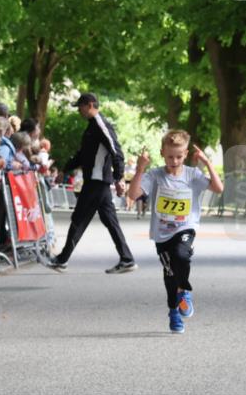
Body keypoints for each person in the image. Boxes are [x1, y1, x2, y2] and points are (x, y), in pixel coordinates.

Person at [127, 131, 223, 334]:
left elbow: (218, 188)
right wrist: (140, 169)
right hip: (162, 234)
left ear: (186, 154)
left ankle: (185, 292)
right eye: (170, 156)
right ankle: (173, 310)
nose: (174, 160)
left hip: (185, 227)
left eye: (179, 156)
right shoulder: (154, 175)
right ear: (162, 153)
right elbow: (133, 194)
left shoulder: (192, 175)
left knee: (182, 254)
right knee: (170, 274)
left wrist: (207, 163)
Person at [47, 93, 136, 274]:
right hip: (96, 182)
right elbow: (82, 154)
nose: (78, 110)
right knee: (110, 222)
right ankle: (127, 259)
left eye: (80, 107)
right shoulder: (91, 127)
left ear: (89, 105)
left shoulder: (101, 125)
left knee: (78, 220)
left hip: (97, 182)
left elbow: (116, 152)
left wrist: (119, 178)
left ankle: (62, 259)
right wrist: (65, 169)